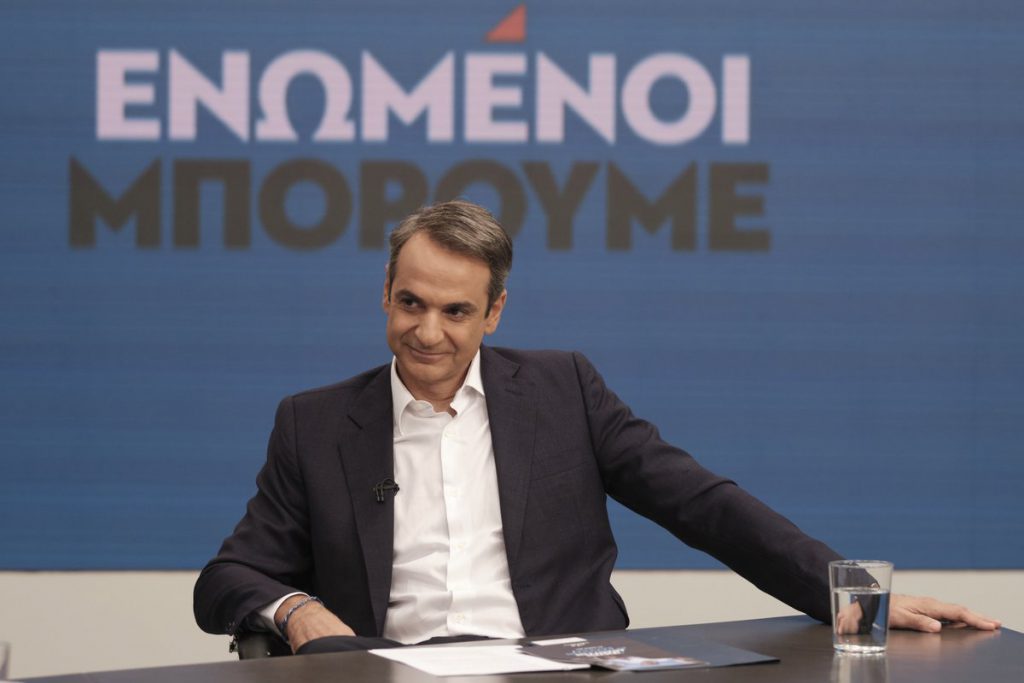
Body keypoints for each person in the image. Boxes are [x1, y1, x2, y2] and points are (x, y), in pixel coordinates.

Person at [193, 200, 1000, 654]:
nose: (427, 332)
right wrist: (294, 610)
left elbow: (699, 501)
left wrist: (845, 588)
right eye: (410, 303)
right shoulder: (315, 422)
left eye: (455, 310)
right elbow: (228, 576)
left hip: (555, 670)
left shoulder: (563, 390)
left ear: (494, 312)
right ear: (384, 291)